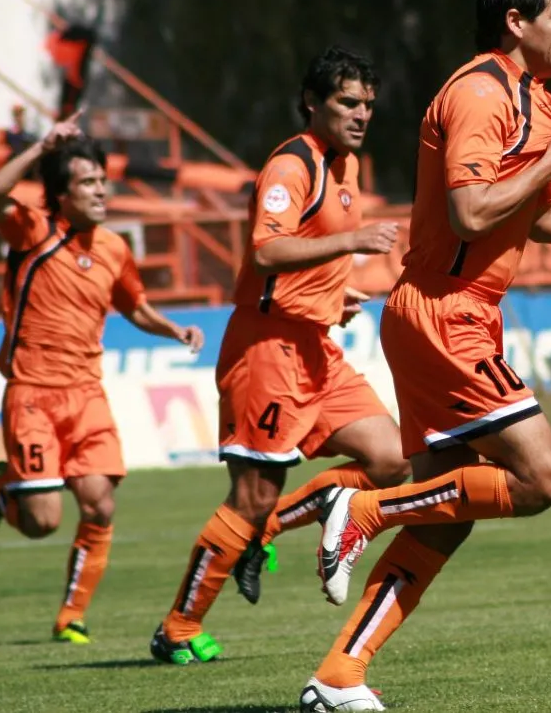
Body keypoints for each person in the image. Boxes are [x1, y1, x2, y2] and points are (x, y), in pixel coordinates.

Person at [298, 0, 551, 712]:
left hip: (457, 316)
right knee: (543, 478)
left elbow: (538, 216)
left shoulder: (538, 103)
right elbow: (472, 212)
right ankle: (364, 508)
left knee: (450, 523)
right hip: (446, 314)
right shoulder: (478, 93)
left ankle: (339, 673)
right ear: (516, 21)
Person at [149, 46, 410, 666]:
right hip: (267, 348)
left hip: (316, 343)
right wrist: (354, 242)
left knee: (393, 458)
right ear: (312, 102)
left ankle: (275, 528)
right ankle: (178, 628)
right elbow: (266, 252)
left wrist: (332, 290)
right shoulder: (292, 166)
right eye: (348, 102)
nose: (361, 114)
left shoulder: (345, 166)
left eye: (368, 105)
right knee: (252, 496)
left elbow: (304, 256)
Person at [0, 112, 205, 644]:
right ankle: (2, 486)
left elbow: (136, 307)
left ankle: (70, 615)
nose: (100, 191)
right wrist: (40, 146)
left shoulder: (113, 248)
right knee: (42, 522)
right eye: (87, 183)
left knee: (100, 502)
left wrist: (174, 329)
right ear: (60, 194)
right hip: (32, 394)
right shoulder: (33, 230)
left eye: (102, 181)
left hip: (88, 394)